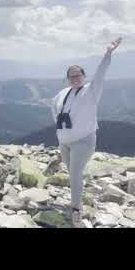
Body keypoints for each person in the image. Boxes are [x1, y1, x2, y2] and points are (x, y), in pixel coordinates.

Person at [51, 38, 122, 228]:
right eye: (71, 76)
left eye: (78, 75)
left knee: (74, 175)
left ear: (84, 75)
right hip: (64, 143)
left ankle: (76, 211)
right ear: (68, 78)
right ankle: (80, 194)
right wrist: (60, 134)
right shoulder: (63, 93)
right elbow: (54, 109)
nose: (75, 79)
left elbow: (101, 74)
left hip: (83, 141)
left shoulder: (91, 90)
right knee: (73, 172)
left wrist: (108, 53)